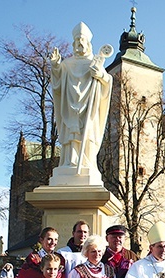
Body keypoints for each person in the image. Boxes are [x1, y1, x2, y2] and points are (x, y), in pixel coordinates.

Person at [50, 22, 112, 176]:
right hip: (70, 106)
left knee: (88, 132)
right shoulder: (67, 64)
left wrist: (100, 75)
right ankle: (69, 163)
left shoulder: (95, 63)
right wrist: (56, 66)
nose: (79, 44)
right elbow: (57, 84)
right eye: (77, 41)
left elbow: (108, 81)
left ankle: (87, 163)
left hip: (88, 108)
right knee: (71, 136)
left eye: (82, 40)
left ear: (88, 43)